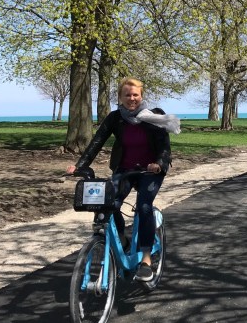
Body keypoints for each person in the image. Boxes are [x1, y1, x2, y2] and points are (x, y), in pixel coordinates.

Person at [66, 77, 180, 282]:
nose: (132, 98)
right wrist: (81, 165)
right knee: (110, 205)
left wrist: (160, 163)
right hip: (125, 169)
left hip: (150, 171)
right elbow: (97, 141)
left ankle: (145, 260)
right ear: (120, 97)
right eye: (127, 95)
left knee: (144, 206)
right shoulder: (116, 118)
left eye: (135, 94)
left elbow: (164, 145)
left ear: (141, 95)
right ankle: (123, 243)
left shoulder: (154, 117)